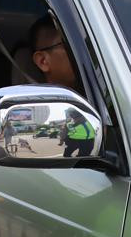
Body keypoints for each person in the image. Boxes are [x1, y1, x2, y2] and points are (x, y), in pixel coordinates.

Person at [27, 15, 94, 156]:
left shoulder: (106, 94)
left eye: (86, 43)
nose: (84, 52)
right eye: (70, 45)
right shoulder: (42, 113)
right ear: (43, 61)